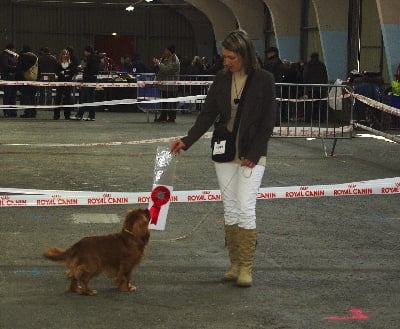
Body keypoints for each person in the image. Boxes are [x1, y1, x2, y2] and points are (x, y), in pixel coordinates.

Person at [170, 29, 276, 287]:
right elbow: (207, 115)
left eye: (231, 57)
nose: (226, 62)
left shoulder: (264, 79)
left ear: (244, 55)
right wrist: (187, 140)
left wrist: (253, 154)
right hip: (224, 153)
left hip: (252, 155)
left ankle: (247, 268)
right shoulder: (221, 79)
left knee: (245, 208)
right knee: (229, 209)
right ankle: (235, 264)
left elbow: (268, 121)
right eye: (225, 57)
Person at [152, 44, 180, 123]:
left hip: (171, 85)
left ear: (170, 51)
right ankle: (163, 116)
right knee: (164, 101)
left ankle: (171, 117)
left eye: (166, 50)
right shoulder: (165, 58)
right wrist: (156, 65)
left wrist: (159, 64)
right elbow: (159, 69)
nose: (164, 52)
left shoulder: (174, 59)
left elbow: (168, 70)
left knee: (171, 102)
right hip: (164, 84)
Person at [72, 45, 100, 121]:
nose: (84, 53)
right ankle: (88, 115)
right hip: (90, 80)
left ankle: (83, 115)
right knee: (88, 99)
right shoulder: (94, 59)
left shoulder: (91, 59)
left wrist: (82, 68)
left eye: (85, 51)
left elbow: (91, 70)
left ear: (88, 51)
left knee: (86, 99)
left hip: (89, 81)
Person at [302, 52, 328, 122]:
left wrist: (305, 86)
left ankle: (308, 119)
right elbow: (325, 76)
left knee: (310, 103)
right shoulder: (322, 65)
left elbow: (305, 75)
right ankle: (321, 119)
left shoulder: (308, 65)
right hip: (321, 87)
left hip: (311, 87)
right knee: (321, 103)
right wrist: (325, 86)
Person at [16, 45, 38, 118]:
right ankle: (33, 112)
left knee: (26, 96)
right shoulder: (35, 57)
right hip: (34, 79)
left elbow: (19, 69)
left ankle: (27, 112)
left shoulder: (22, 57)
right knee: (32, 97)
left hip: (25, 79)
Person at [54, 49, 77, 120]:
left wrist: (67, 74)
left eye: (66, 54)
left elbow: (72, 72)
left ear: (68, 55)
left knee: (68, 99)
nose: (65, 55)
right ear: (61, 55)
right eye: (63, 54)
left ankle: (67, 115)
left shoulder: (71, 63)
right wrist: (63, 74)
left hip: (68, 82)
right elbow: (57, 72)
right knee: (58, 99)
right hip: (60, 82)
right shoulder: (58, 63)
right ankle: (56, 115)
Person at [0, 43, 19, 117]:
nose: (15, 50)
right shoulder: (4, 55)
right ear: (11, 49)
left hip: (13, 78)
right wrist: (15, 68)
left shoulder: (13, 56)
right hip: (7, 77)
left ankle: (13, 112)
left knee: (13, 95)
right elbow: (5, 66)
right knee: (8, 95)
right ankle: (7, 112)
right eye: (14, 49)